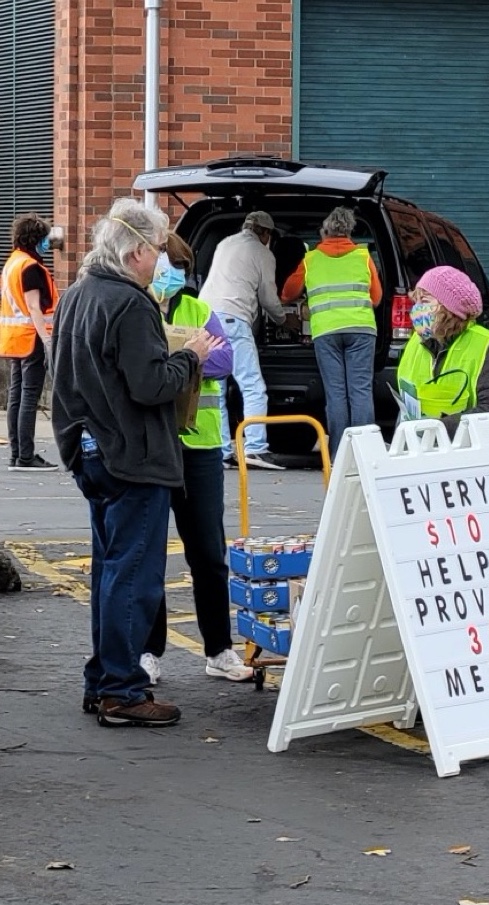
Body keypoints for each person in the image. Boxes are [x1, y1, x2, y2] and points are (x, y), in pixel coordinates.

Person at [50, 198, 221, 727]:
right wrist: (190, 355)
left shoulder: (79, 295)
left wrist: (74, 448)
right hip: (134, 455)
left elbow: (63, 376)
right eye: (156, 251)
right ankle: (122, 690)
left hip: (94, 450)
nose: (161, 262)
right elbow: (151, 386)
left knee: (110, 570)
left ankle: (104, 678)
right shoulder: (130, 303)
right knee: (134, 576)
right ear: (135, 252)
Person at [140, 232, 254, 687]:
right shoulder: (136, 308)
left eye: (180, 268)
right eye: (167, 265)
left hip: (200, 446)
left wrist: (184, 356)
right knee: (149, 553)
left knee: (208, 552)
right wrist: (192, 351)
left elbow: (226, 358)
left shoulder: (198, 310)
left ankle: (218, 649)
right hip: (153, 445)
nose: (172, 275)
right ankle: (149, 651)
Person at [281, 206, 383, 457]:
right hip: (361, 330)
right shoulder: (363, 256)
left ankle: (339, 454)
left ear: (325, 232)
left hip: (326, 332)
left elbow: (287, 293)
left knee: (336, 392)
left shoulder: (311, 259)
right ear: (350, 231)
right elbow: (377, 298)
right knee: (360, 390)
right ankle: (364, 454)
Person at [398, 266, 489, 477]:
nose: (416, 309)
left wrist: (436, 429)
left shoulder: (486, 345)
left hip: (482, 475)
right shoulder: (416, 343)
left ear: (449, 310)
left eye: (425, 302)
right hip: (426, 468)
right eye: (416, 302)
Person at [199, 210, 293, 470]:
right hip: (233, 320)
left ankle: (221, 450)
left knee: (216, 387)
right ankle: (255, 448)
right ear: (265, 233)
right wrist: (286, 321)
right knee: (252, 386)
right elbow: (268, 297)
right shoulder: (263, 254)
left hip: (206, 318)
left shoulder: (225, 243)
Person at [1, 213, 60, 471]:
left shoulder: (13, 262)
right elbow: (35, 308)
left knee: (16, 396)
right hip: (32, 338)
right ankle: (26, 455)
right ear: (36, 239)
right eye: (45, 239)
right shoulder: (31, 268)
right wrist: (47, 340)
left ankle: (17, 453)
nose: (48, 244)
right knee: (28, 397)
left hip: (14, 338)